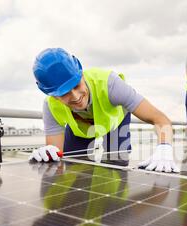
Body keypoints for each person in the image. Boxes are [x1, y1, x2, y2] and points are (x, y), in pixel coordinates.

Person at [29, 48, 179, 173]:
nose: (76, 97)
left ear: (81, 73)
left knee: (116, 166)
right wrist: (48, 155)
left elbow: (160, 119)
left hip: (115, 124)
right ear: (52, 95)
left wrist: (164, 147)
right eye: (64, 93)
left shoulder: (110, 85)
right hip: (81, 131)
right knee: (71, 169)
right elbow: (55, 154)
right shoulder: (51, 106)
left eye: (76, 85)